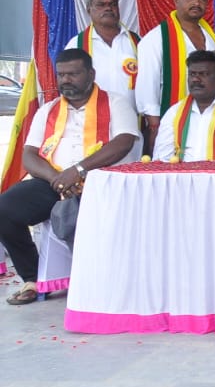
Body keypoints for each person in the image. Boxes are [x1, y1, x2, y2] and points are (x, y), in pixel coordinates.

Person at [0, 49, 139, 305]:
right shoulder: (49, 109)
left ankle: (104, 283)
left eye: (73, 74)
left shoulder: (115, 103)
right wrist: (57, 177)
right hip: (53, 182)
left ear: (90, 74)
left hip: (100, 182)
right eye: (62, 75)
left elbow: (124, 141)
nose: (66, 80)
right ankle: (33, 278)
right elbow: (29, 155)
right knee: (5, 208)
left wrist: (79, 171)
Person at [135, 0, 215, 156]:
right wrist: (155, 127)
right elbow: (147, 87)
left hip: (209, 118)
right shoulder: (156, 39)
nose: (196, 3)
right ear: (175, 0)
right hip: (171, 121)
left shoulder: (211, 36)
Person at [153, 51, 215, 163]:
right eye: (192, 74)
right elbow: (162, 159)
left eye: (204, 74)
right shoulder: (174, 113)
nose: (195, 79)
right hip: (180, 178)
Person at [65, 0, 140, 105]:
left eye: (113, 4)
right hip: (92, 119)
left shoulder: (136, 42)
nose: (108, 8)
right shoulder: (76, 45)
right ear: (89, 9)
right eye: (101, 4)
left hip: (131, 119)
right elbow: (68, 86)